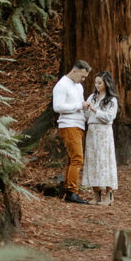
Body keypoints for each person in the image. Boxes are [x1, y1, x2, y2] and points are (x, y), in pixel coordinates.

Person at [52, 60, 91, 204]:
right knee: (77, 159)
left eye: (85, 77)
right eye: (82, 76)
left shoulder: (78, 86)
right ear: (74, 71)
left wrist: (84, 107)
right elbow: (57, 107)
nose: (83, 79)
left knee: (72, 158)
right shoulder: (62, 85)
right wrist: (78, 105)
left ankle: (69, 189)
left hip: (79, 124)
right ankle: (73, 191)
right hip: (68, 125)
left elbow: (79, 104)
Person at [82, 71, 118, 206]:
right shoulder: (92, 97)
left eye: (100, 83)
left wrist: (95, 110)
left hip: (104, 133)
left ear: (106, 83)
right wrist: (85, 108)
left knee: (105, 161)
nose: (97, 85)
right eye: (96, 83)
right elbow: (86, 116)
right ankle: (96, 194)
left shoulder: (111, 100)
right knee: (93, 160)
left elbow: (109, 117)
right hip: (92, 132)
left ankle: (109, 195)